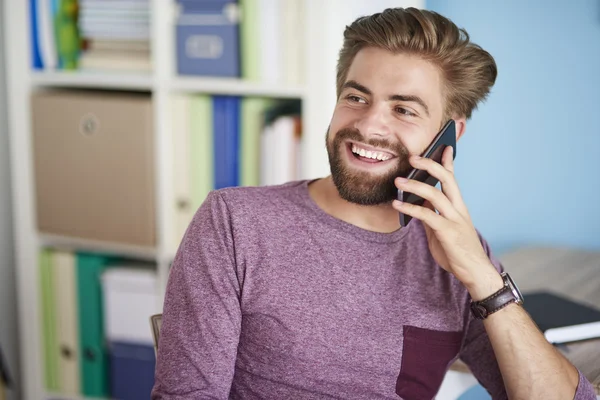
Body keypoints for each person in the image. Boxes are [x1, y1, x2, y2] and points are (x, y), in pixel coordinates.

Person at [152, 7, 596, 400]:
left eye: (404, 109)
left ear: (449, 137)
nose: (368, 125)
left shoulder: (457, 252)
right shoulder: (235, 222)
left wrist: (483, 278)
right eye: (356, 97)